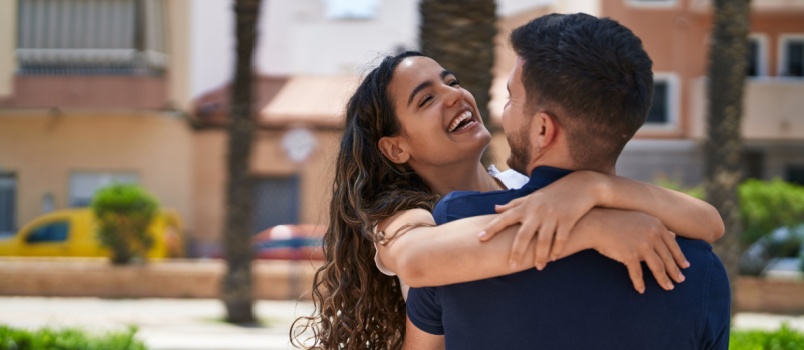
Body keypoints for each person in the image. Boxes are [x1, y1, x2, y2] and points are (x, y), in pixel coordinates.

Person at [290, 48, 724, 348]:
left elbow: (709, 223)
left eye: (451, 81)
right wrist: (592, 227)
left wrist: (597, 187)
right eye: (426, 100)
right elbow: (421, 262)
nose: (455, 96)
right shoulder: (402, 219)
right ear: (396, 148)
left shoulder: (530, 185)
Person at [404, 13, 731, 350]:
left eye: (512, 98)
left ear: (543, 129)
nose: (504, 111)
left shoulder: (459, 223)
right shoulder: (697, 268)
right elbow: (712, 225)